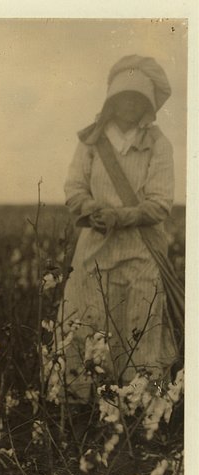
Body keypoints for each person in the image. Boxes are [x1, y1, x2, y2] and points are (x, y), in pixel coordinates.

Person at [59, 55, 181, 403]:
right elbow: (74, 189)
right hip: (94, 250)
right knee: (86, 321)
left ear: (147, 104)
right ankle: (83, 406)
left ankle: (140, 409)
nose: (130, 104)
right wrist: (92, 210)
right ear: (112, 99)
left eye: (137, 98)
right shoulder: (91, 141)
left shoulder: (158, 144)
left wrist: (121, 217)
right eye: (124, 96)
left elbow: (160, 203)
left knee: (140, 328)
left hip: (141, 251)